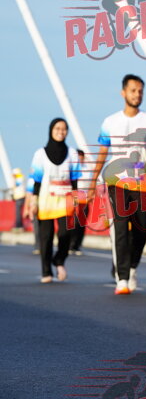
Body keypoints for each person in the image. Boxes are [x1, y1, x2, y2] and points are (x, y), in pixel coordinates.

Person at [88, 74, 146, 295]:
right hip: (117, 182)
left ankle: (131, 266)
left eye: (140, 91)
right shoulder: (110, 122)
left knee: (141, 229)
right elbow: (102, 154)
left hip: (142, 184)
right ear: (123, 93)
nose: (137, 94)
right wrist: (92, 182)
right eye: (133, 90)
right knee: (120, 228)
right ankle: (122, 278)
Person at [29, 119, 81, 283]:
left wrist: (76, 199)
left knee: (66, 234)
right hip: (45, 200)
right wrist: (33, 202)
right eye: (57, 128)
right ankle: (46, 271)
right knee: (46, 237)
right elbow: (37, 181)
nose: (61, 132)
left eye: (64, 129)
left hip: (65, 200)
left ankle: (59, 260)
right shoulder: (40, 154)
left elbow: (75, 180)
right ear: (51, 130)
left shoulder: (72, 154)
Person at [69, 150, 87, 255]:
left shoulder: (88, 169)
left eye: (81, 157)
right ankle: (70, 244)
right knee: (73, 223)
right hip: (73, 199)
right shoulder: (70, 169)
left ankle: (77, 245)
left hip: (85, 200)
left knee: (82, 223)